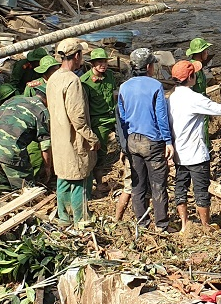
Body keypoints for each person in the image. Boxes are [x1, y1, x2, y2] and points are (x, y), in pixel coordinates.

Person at [169, 60, 221, 232]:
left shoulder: (171, 98)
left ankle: (185, 225)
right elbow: (219, 109)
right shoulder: (194, 98)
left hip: (179, 154)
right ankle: (205, 226)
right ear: (190, 77)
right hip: (196, 154)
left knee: (181, 189)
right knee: (201, 191)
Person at [117, 48, 173, 231]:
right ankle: (161, 224)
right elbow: (161, 117)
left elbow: (122, 118)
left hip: (132, 141)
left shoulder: (124, 87)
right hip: (152, 142)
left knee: (137, 184)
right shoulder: (155, 86)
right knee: (158, 184)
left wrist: (124, 144)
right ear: (148, 66)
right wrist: (168, 141)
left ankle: (142, 223)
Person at [47, 38, 100, 224]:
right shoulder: (73, 81)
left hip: (58, 137)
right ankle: (80, 218)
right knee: (79, 178)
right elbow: (78, 117)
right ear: (77, 56)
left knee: (63, 178)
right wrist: (92, 138)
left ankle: (63, 216)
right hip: (73, 138)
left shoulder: (53, 78)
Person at [0, 94, 53, 194]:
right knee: (25, 190)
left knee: (1, 187)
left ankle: (1, 199)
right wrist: (47, 167)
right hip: (11, 152)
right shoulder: (41, 110)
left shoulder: (14, 99)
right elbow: (45, 144)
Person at [80, 48, 119, 191]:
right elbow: (83, 105)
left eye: (105, 62)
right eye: (99, 62)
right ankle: (99, 183)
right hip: (99, 121)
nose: (103, 65)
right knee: (100, 153)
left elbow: (114, 94)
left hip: (113, 116)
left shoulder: (109, 75)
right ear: (92, 64)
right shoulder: (85, 81)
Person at [22, 55, 61, 178]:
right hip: (39, 123)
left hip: (57, 121)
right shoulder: (33, 86)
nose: (55, 72)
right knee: (36, 151)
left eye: (56, 69)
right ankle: (37, 177)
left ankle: (54, 174)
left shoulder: (61, 83)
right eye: (52, 70)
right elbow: (27, 104)